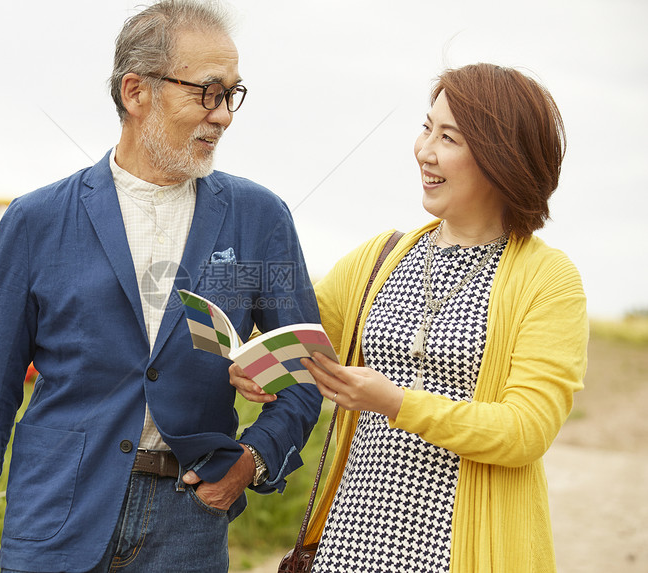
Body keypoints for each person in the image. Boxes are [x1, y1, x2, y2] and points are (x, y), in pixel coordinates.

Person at [0, 1, 323, 571]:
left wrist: (254, 461)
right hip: (54, 520)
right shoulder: (34, 220)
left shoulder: (261, 218)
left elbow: (305, 369)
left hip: (190, 523)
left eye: (233, 94)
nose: (224, 116)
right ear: (136, 92)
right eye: (208, 92)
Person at [231, 63, 588, 572]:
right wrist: (254, 365)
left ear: (500, 158)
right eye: (427, 128)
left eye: (449, 137)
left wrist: (394, 402)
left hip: (460, 552)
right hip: (349, 545)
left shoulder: (549, 280)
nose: (424, 150)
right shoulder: (380, 257)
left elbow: (525, 430)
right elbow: (299, 339)